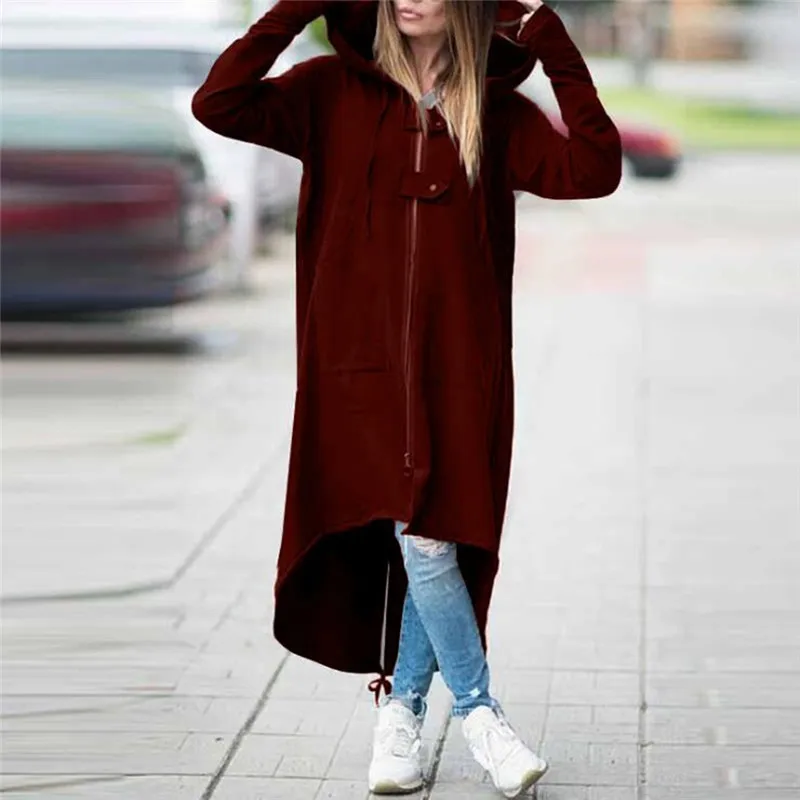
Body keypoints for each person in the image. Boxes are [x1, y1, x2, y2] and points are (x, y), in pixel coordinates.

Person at [192, 1, 621, 796]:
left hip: (460, 367)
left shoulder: (496, 111)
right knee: (422, 540)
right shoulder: (326, 92)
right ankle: (480, 714)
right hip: (355, 368)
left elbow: (594, 170)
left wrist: (553, 42)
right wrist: (295, 10)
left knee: (435, 535)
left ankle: (401, 716)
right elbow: (218, 102)